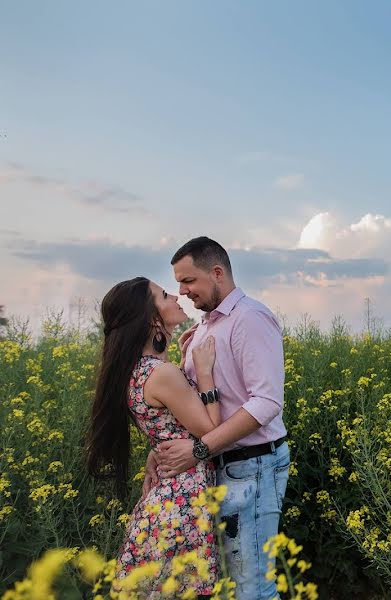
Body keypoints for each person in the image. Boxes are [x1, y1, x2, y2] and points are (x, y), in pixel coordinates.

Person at [151, 236, 289, 600]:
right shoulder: (208, 327)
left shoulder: (250, 318)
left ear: (216, 273)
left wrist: (198, 449)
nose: (182, 291)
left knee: (253, 588)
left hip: (253, 465)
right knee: (235, 583)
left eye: (188, 281)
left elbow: (267, 402)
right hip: (222, 466)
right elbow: (199, 401)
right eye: (178, 283)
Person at [85, 277, 221, 597]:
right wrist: (204, 373)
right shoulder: (161, 374)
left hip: (165, 494)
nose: (176, 295)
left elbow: (162, 425)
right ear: (151, 318)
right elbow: (213, 431)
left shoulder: (136, 370)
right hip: (184, 496)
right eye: (163, 295)